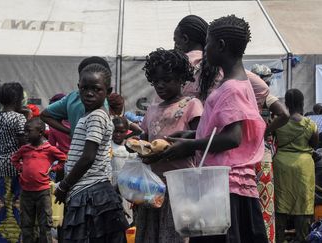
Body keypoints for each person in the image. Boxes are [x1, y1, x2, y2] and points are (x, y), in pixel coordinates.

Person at [161, 15, 268, 243]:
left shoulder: (231, 89)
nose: (204, 47)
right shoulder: (240, 83)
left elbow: (232, 138)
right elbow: (223, 129)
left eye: (208, 42)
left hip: (225, 187)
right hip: (229, 186)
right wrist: (192, 134)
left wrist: (191, 145)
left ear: (219, 46)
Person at [54, 64, 129, 243]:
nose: (89, 93)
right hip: (89, 191)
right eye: (85, 88)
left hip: (90, 192)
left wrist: (64, 186)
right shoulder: (90, 115)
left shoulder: (96, 116)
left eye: (96, 89)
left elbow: (88, 157)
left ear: (107, 91)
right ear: (78, 87)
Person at [135, 48, 203, 243]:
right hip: (153, 189)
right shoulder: (152, 109)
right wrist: (141, 148)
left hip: (180, 188)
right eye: (156, 81)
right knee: (151, 235)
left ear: (182, 79)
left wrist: (169, 150)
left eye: (167, 80)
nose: (160, 85)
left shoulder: (191, 105)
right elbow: (144, 140)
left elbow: (199, 139)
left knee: (175, 236)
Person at [173, 15, 269, 105]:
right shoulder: (224, 66)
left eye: (175, 41)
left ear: (185, 39)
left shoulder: (176, 65)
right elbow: (262, 88)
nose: (174, 46)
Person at [11, 117, 67, 243]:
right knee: (26, 224)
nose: (25, 135)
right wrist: (21, 168)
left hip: (43, 192)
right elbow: (14, 159)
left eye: (28, 131)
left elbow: (64, 159)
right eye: (24, 131)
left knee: (45, 224)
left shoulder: (49, 149)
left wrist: (54, 168)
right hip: (26, 192)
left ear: (41, 132)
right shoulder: (25, 149)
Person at [251, 63, 290, 243]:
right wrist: (266, 130)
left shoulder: (239, 93)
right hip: (262, 155)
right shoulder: (266, 96)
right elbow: (284, 114)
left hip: (239, 155)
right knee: (265, 206)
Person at [0, 82, 27, 243]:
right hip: (16, 167)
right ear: (17, 99)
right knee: (16, 206)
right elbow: (24, 146)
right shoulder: (19, 118)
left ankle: (0, 239)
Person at [273, 89, 319, 243]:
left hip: (281, 165)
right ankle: (302, 239)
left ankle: (278, 239)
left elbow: (272, 140)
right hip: (303, 167)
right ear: (302, 102)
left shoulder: (278, 122)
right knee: (303, 204)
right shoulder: (310, 124)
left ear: (286, 103)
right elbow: (314, 144)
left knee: (280, 203)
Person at [40, 56, 112, 137]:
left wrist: (70, 132)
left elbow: (45, 115)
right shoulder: (99, 103)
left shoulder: (72, 97)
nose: (89, 94)